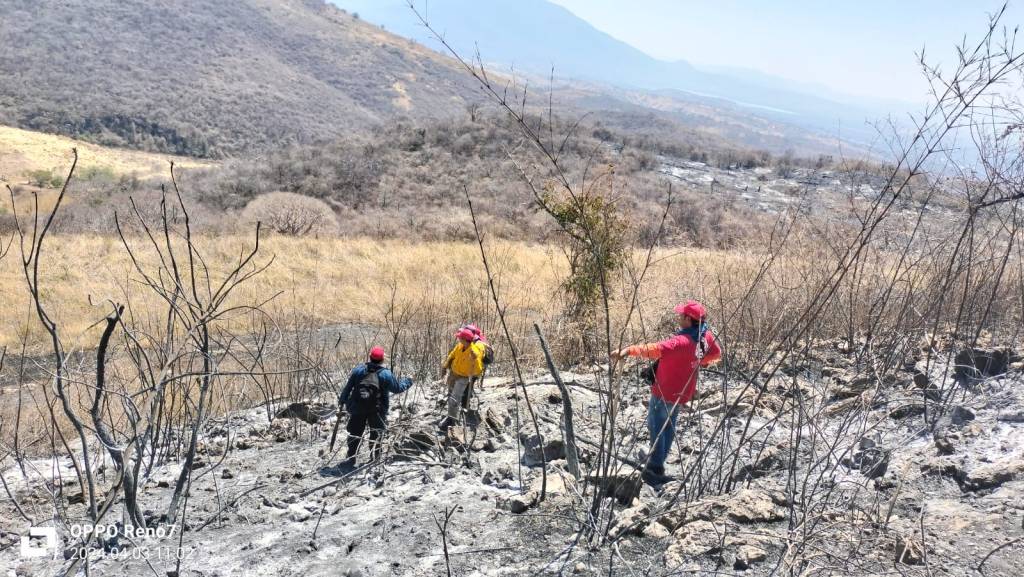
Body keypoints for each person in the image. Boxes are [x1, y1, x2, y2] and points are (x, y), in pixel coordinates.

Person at [611, 300, 722, 485]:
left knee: (656, 425)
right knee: (669, 425)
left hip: (664, 391)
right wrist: (698, 360)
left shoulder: (680, 341)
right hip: (682, 392)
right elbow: (716, 353)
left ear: (688, 318)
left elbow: (654, 350)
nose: (678, 317)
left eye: (681, 315)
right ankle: (659, 459)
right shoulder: (704, 337)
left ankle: (655, 466)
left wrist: (628, 350)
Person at [337, 346, 413, 471]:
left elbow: (348, 388)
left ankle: (351, 458)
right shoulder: (386, 374)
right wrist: (409, 381)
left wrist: (342, 401)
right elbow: (398, 388)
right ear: (382, 359)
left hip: (357, 408)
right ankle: (375, 458)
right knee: (376, 434)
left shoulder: (358, 371)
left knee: (354, 434)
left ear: (370, 357)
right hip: (377, 410)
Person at [440, 328, 487, 428]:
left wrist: (474, 359)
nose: (458, 339)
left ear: (465, 339)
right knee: (450, 394)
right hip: (454, 374)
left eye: (460, 337)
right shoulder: (460, 345)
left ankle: (451, 419)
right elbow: (452, 354)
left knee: (455, 397)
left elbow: (478, 369)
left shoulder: (474, 350)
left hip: (464, 377)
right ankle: (452, 413)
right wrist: (445, 366)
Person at [458, 323, 493, 411]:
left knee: (467, 386)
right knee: (468, 385)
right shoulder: (479, 339)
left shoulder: (477, 343)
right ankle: (465, 403)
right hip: (477, 368)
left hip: (475, 369)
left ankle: (465, 407)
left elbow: (476, 357)